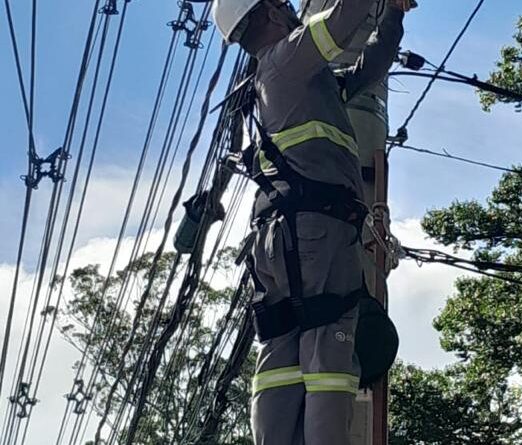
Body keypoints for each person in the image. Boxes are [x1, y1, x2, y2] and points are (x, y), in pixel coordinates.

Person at [211, 0, 412, 443]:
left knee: (281, 349)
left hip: (277, 237)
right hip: (317, 232)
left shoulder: (292, 80)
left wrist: (394, 15)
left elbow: (370, 66)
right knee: (329, 351)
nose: (290, 10)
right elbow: (342, 19)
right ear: (269, 13)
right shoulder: (286, 60)